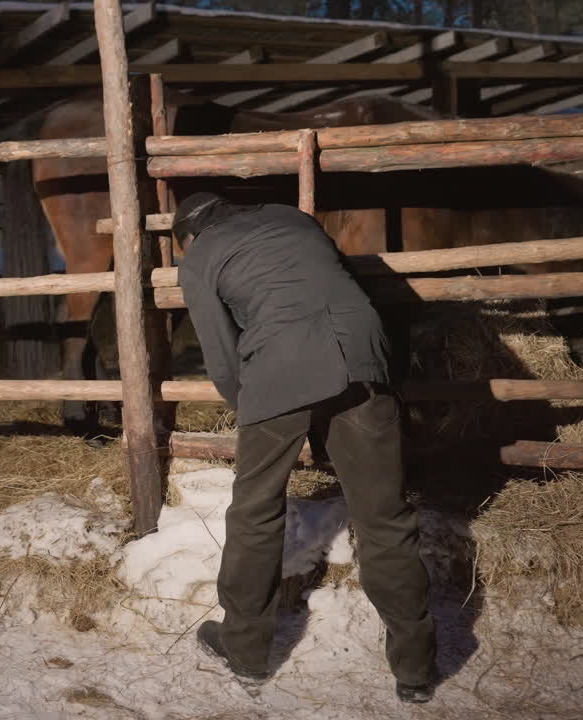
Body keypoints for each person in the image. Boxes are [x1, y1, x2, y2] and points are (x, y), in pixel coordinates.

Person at [174, 192, 437, 704]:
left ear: (187, 236)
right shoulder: (291, 219)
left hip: (281, 366)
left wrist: (253, 409)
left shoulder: (201, 257)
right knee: (383, 514)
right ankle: (416, 667)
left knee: (255, 509)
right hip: (364, 355)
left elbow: (222, 358)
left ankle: (245, 648)